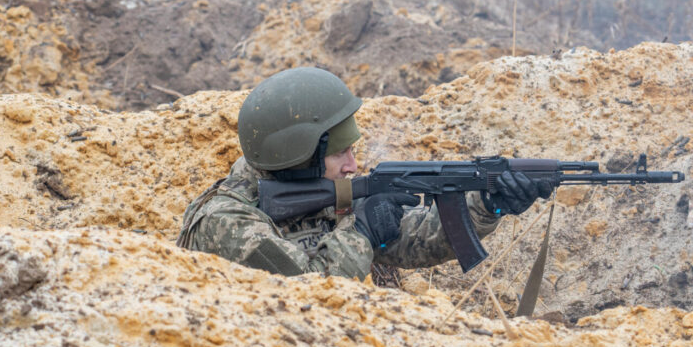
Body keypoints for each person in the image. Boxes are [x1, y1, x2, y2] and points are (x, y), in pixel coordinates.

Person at [176, 67, 551, 280]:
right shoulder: (225, 222)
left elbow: (416, 241)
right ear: (299, 153)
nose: (353, 165)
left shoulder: (319, 190)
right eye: (340, 152)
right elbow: (307, 297)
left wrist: (487, 205)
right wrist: (360, 231)